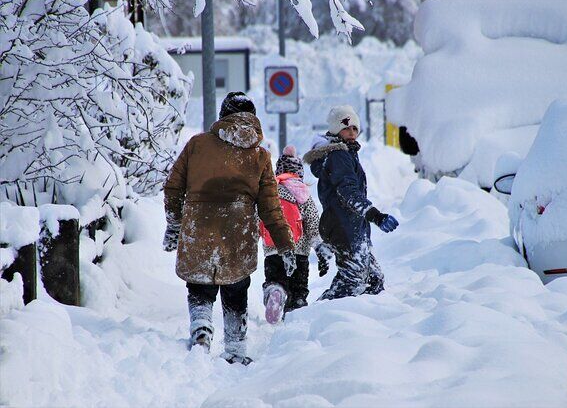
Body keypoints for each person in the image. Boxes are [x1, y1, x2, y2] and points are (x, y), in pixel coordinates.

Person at [163, 92, 296, 365]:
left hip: (199, 226)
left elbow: (173, 187)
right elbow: (271, 207)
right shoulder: (259, 156)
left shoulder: (197, 145)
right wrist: (285, 244)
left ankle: (201, 328)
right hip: (238, 230)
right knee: (236, 288)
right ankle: (235, 349)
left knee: (200, 285)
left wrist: (175, 222)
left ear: (223, 116)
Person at [303, 105, 399, 301]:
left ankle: (362, 322)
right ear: (336, 130)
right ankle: (316, 316)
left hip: (351, 225)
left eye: (355, 128)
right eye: (346, 128)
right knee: (352, 281)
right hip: (343, 226)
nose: (352, 132)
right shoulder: (339, 156)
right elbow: (348, 191)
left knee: (374, 279)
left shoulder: (346, 153)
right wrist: (375, 215)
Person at [259, 145, 332, 324]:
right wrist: (319, 247)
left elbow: (257, 219)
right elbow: (313, 224)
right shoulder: (302, 193)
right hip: (299, 253)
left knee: (275, 280)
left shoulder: (270, 192)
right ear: (299, 172)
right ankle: (295, 320)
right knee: (298, 291)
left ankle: (275, 291)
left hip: (273, 250)